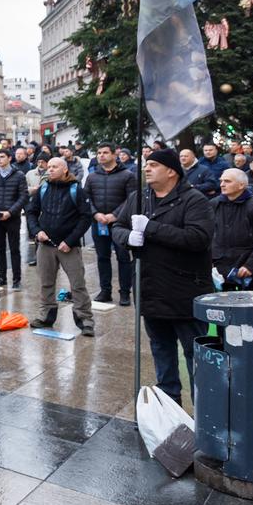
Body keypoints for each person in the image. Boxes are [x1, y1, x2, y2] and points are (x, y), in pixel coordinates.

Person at [112, 149, 213, 406]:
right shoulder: (139, 198)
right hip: (151, 289)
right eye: (146, 164)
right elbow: (118, 227)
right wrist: (128, 238)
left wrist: (151, 228)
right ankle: (170, 403)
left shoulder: (194, 200)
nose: (146, 169)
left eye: (154, 165)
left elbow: (197, 238)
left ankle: (205, 410)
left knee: (195, 354)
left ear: (171, 171)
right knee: (161, 349)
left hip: (185, 291)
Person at [27, 157, 94, 336]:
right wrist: (36, 231)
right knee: (45, 283)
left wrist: (70, 241)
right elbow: (31, 212)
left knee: (77, 284)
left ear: (65, 169)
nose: (50, 169)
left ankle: (85, 320)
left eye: (54, 166)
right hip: (45, 245)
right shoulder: (44, 188)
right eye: (48, 166)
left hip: (68, 246)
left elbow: (85, 217)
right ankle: (45, 316)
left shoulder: (76, 189)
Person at [210, 167, 253, 292]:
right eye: (221, 181)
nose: (222, 184)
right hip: (220, 269)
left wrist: (251, 266)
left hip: (247, 269)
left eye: (227, 181)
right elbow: (207, 235)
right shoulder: (214, 204)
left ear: (241, 185)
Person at [87, 143, 138, 306]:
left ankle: (124, 293)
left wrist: (114, 215)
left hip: (120, 224)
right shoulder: (92, 176)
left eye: (105, 152)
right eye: (99, 153)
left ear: (114, 155)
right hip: (99, 222)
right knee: (102, 257)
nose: (101, 155)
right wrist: (95, 213)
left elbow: (132, 199)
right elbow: (86, 198)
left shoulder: (127, 175)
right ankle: (105, 291)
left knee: (123, 257)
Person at [0, 149, 28, 289]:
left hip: (12, 217)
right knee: (0, 248)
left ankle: (17, 279)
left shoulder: (19, 175)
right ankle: (2, 277)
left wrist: (10, 211)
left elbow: (23, 196)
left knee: (14, 249)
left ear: (9, 158)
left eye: (2, 157)